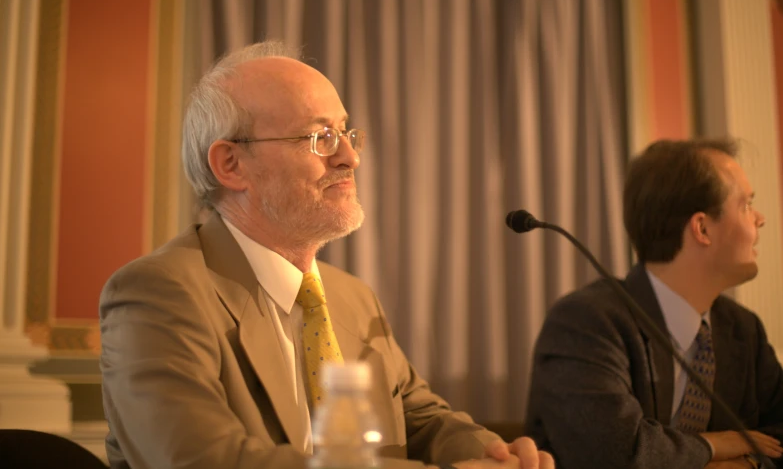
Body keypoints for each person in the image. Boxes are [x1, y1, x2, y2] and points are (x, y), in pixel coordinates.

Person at [100, 41, 554, 469]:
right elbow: (202, 460)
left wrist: (494, 455)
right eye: (320, 137)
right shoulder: (158, 293)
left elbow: (423, 420)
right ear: (231, 165)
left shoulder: (352, 296)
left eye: (345, 132)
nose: (350, 157)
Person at [525, 139, 783, 469]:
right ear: (702, 228)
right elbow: (617, 454)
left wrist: (744, 465)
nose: (759, 219)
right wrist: (713, 444)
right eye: (746, 205)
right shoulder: (585, 322)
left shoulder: (743, 329)